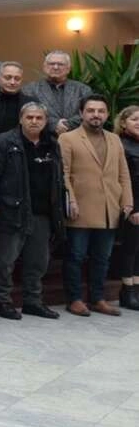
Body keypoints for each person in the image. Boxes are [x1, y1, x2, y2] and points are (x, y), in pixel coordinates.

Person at [0, 104, 64, 320]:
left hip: (43, 212)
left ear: (45, 121)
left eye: (39, 118)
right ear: (21, 119)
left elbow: (59, 177)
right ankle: (1, 301)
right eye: (29, 117)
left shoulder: (52, 144)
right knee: (5, 260)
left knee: (38, 262)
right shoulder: (3, 142)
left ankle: (33, 302)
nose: (34, 121)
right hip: (12, 209)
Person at [59, 96, 135, 316]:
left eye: (101, 111)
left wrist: (127, 200)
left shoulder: (114, 139)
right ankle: (74, 299)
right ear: (81, 113)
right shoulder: (68, 138)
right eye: (91, 110)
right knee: (76, 256)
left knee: (102, 258)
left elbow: (123, 173)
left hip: (109, 207)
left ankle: (97, 298)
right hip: (80, 207)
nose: (96, 115)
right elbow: (63, 173)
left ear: (107, 115)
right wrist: (70, 199)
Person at [24, 51, 92, 134]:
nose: (56, 67)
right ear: (44, 67)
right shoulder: (30, 89)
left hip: (76, 138)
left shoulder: (83, 89)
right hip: (42, 138)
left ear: (68, 69)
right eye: (51, 64)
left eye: (60, 64)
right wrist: (54, 124)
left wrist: (67, 125)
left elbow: (89, 112)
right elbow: (26, 114)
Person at [113, 106, 139, 310]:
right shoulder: (120, 145)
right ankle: (127, 291)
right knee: (130, 249)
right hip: (133, 206)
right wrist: (133, 208)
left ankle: (136, 289)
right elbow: (124, 180)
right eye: (135, 119)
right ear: (123, 123)